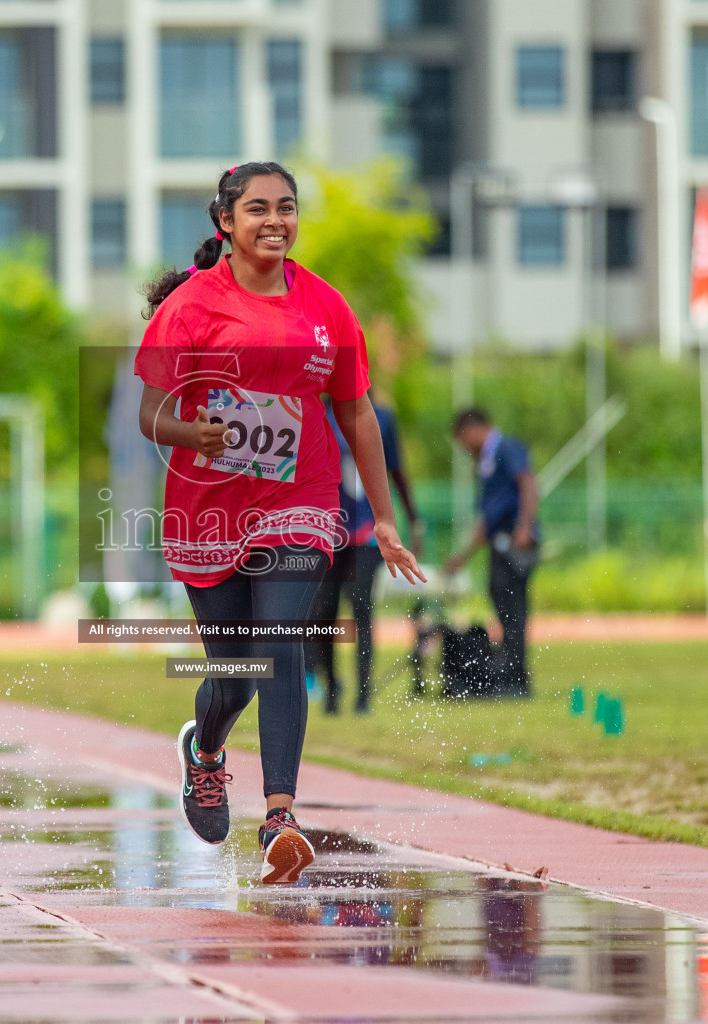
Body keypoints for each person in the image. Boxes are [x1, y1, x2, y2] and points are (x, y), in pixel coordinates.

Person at [136, 162, 425, 884]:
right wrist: (190, 435)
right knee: (234, 677)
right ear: (226, 222)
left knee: (280, 644)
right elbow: (150, 412)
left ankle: (280, 814)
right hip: (207, 509)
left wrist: (384, 520)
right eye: (258, 208)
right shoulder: (192, 307)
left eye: (287, 208)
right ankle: (204, 754)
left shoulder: (326, 306)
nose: (276, 220)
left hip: (302, 501)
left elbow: (356, 410)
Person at [304, 390, 421, 714]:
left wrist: (413, 521)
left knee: (361, 610)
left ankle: (364, 696)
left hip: (366, 533)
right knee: (323, 613)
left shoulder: (381, 418)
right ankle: (330, 690)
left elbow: (396, 469)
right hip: (326, 531)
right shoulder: (315, 412)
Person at [444, 408, 540, 696]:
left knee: (514, 609)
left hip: (515, 542)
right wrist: (464, 555)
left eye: (461, 439)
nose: (463, 447)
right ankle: (509, 673)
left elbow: (528, 483)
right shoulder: (486, 460)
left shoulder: (506, 448)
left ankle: (517, 678)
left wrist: (525, 526)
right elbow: (488, 518)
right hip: (499, 543)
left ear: (470, 430)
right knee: (501, 600)